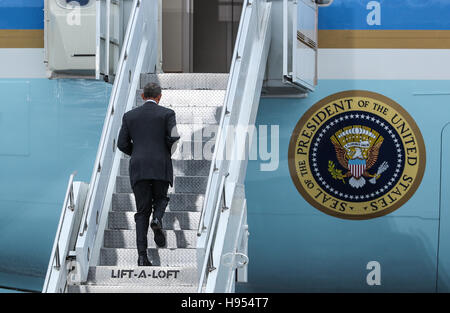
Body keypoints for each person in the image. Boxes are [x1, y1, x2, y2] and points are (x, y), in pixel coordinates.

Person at [117, 82, 179, 266]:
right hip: (160, 164)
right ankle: (158, 218)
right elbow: (174, 137)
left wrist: (137, 153)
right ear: (159, 97)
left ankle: (142, 256)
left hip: (139, 167)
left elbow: (122, 144)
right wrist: (164, 151)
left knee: (142, 212)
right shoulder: (168, 114)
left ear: (143, 96)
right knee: (161, 198)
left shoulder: (129, 116)